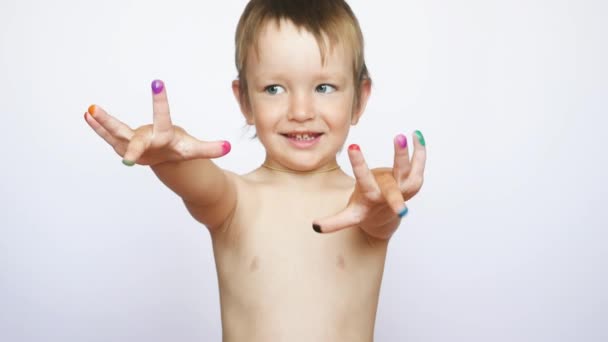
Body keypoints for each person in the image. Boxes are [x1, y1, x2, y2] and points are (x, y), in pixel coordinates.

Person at [83, 0, 427, 340]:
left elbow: (378, 210)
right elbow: (197, 181)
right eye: (274, 89)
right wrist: (166, 153)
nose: (301, 110)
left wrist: (382, 188)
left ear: (360, 99)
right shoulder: (235, 202)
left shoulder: (361, 205)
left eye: (324, 87)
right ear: (245, 100)